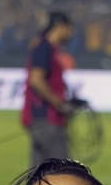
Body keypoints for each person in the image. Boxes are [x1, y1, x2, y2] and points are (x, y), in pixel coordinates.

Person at [22, 11, 75, 168]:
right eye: (69, 28)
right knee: (61, 172)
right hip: (47, 119)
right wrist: (60, 104)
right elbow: (36, 80)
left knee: (39, 175)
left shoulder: (45, 48)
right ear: (59, 27)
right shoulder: (44, 48)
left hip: (40, 118)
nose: (70, 33)